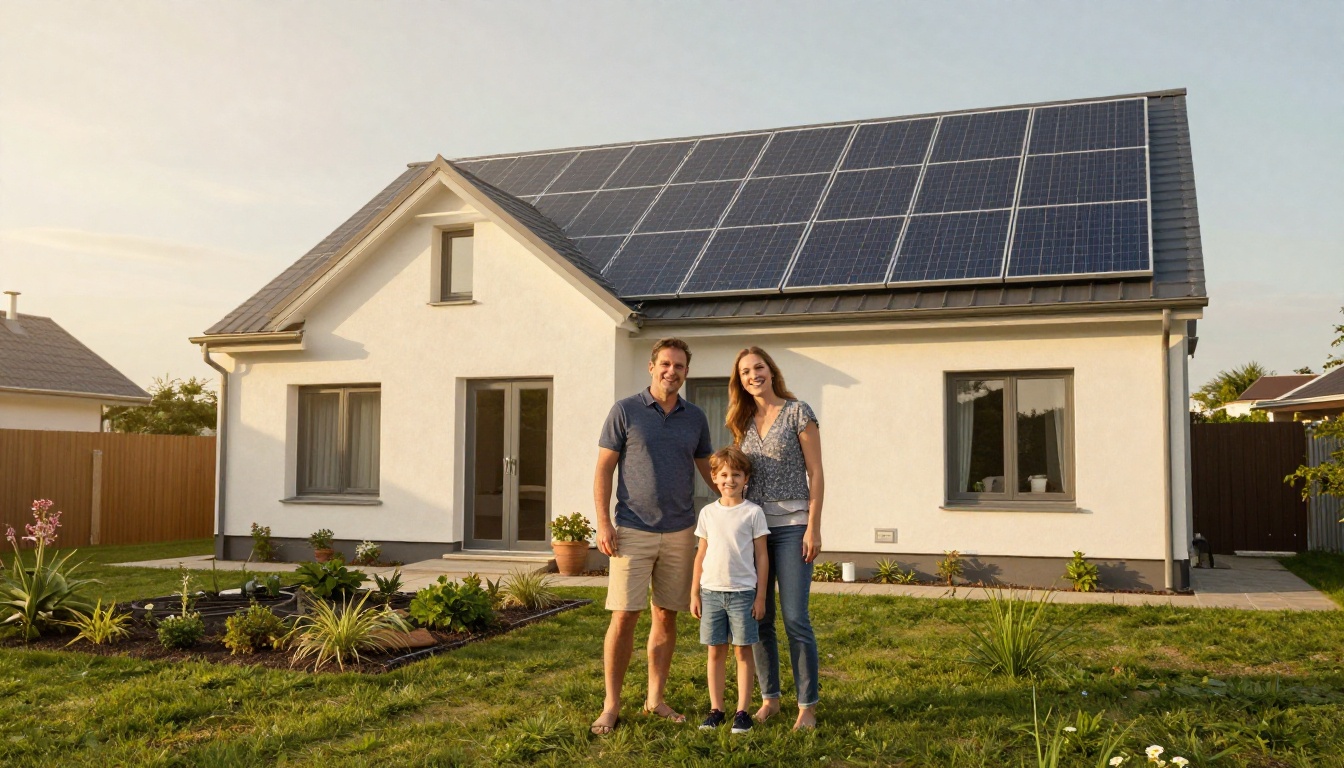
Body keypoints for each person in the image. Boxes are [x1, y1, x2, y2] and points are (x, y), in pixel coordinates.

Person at [590, 338, 714, 735]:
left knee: (665, 615)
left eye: (679, 366)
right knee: (624, 616)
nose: (671, 371)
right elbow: (603, 470)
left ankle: (655, 699)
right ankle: (611, 705)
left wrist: (740, 503)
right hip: (631, 530)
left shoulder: (695, 417)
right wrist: (603, 523)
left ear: (686, 372)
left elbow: (709, 470)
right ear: (651, 366)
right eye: (665, 364)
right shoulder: (625, 411)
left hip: (680, 531)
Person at [728, 346, 825, 731]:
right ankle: (770, 699)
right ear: (740, 381)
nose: (754, 375)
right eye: (746, 372)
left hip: (793, 528)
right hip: (753, 531)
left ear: (771, 370)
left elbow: (816, 473)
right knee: (760, 617)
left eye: (759, 367)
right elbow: (732, 475)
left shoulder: (799, 412)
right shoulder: (741, 420)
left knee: (796, 618)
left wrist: (813, 526)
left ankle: (807, 705)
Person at [690, 446, 770, 734]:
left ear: (746, 478)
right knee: (715, 652)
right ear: (714, 477)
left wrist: (760, 595)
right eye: (724, 474)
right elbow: (700, 554)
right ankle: (716, 709)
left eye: (736, 474)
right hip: (711, 593)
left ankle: (742, 711)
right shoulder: (708, 514)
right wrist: (694, 593)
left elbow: (762, 556)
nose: (730, 480)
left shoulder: (753, 513)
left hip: (743, 594)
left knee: (742, 652)